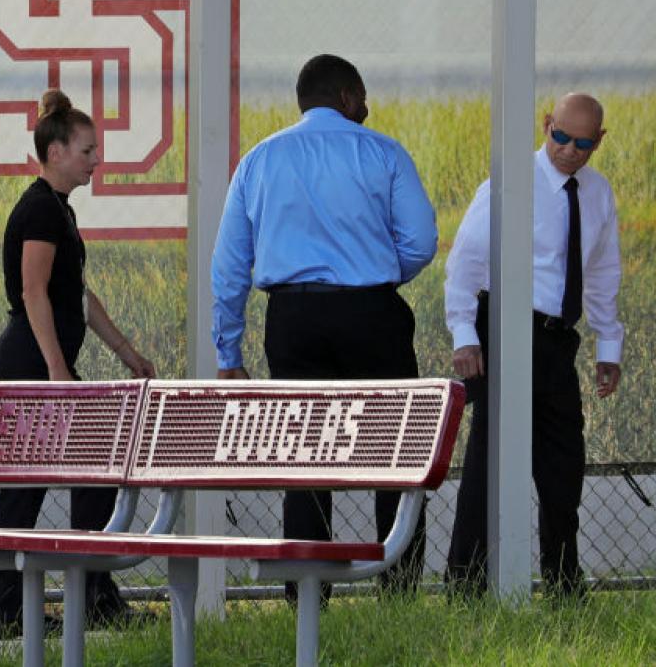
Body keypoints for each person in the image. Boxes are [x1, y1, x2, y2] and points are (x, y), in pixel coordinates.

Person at [210, 53, 437, 600]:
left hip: (293, 318)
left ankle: (305, 593)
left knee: (305, 455)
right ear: (345, 97)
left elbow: (229, 266)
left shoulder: (259, 161)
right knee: (396, 451)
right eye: (362, 95)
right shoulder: (383, 152)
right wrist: (379, 273)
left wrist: (229, 353)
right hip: (372, 314)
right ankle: (400, 588)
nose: (368, 105)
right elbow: (421, 242)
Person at [0, 89, 158, 640]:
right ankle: (18, 607)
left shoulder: (60, 208)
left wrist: (129, 355)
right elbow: (34, 292)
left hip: (46, 357)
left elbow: (77, 298)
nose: (96, 160)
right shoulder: (38, 206)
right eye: (87, 150)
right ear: (55, 151)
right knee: (31, 481)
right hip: (32, 358)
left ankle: (87, 591)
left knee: (85, 466)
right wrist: (58, 371)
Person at [444, 93, 624, 599]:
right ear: (547, 124)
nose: (569, 150)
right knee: (488, 464)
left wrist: (608, 343)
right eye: (560, 136)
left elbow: (603, 271)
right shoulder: (510, 182)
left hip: (556, 342)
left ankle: (565, 582)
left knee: (564, 464)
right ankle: (465, 584)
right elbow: (467, 261)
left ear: (598, 142)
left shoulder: (597, 192)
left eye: (583, 143)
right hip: (504, 329)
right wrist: (464, 334)